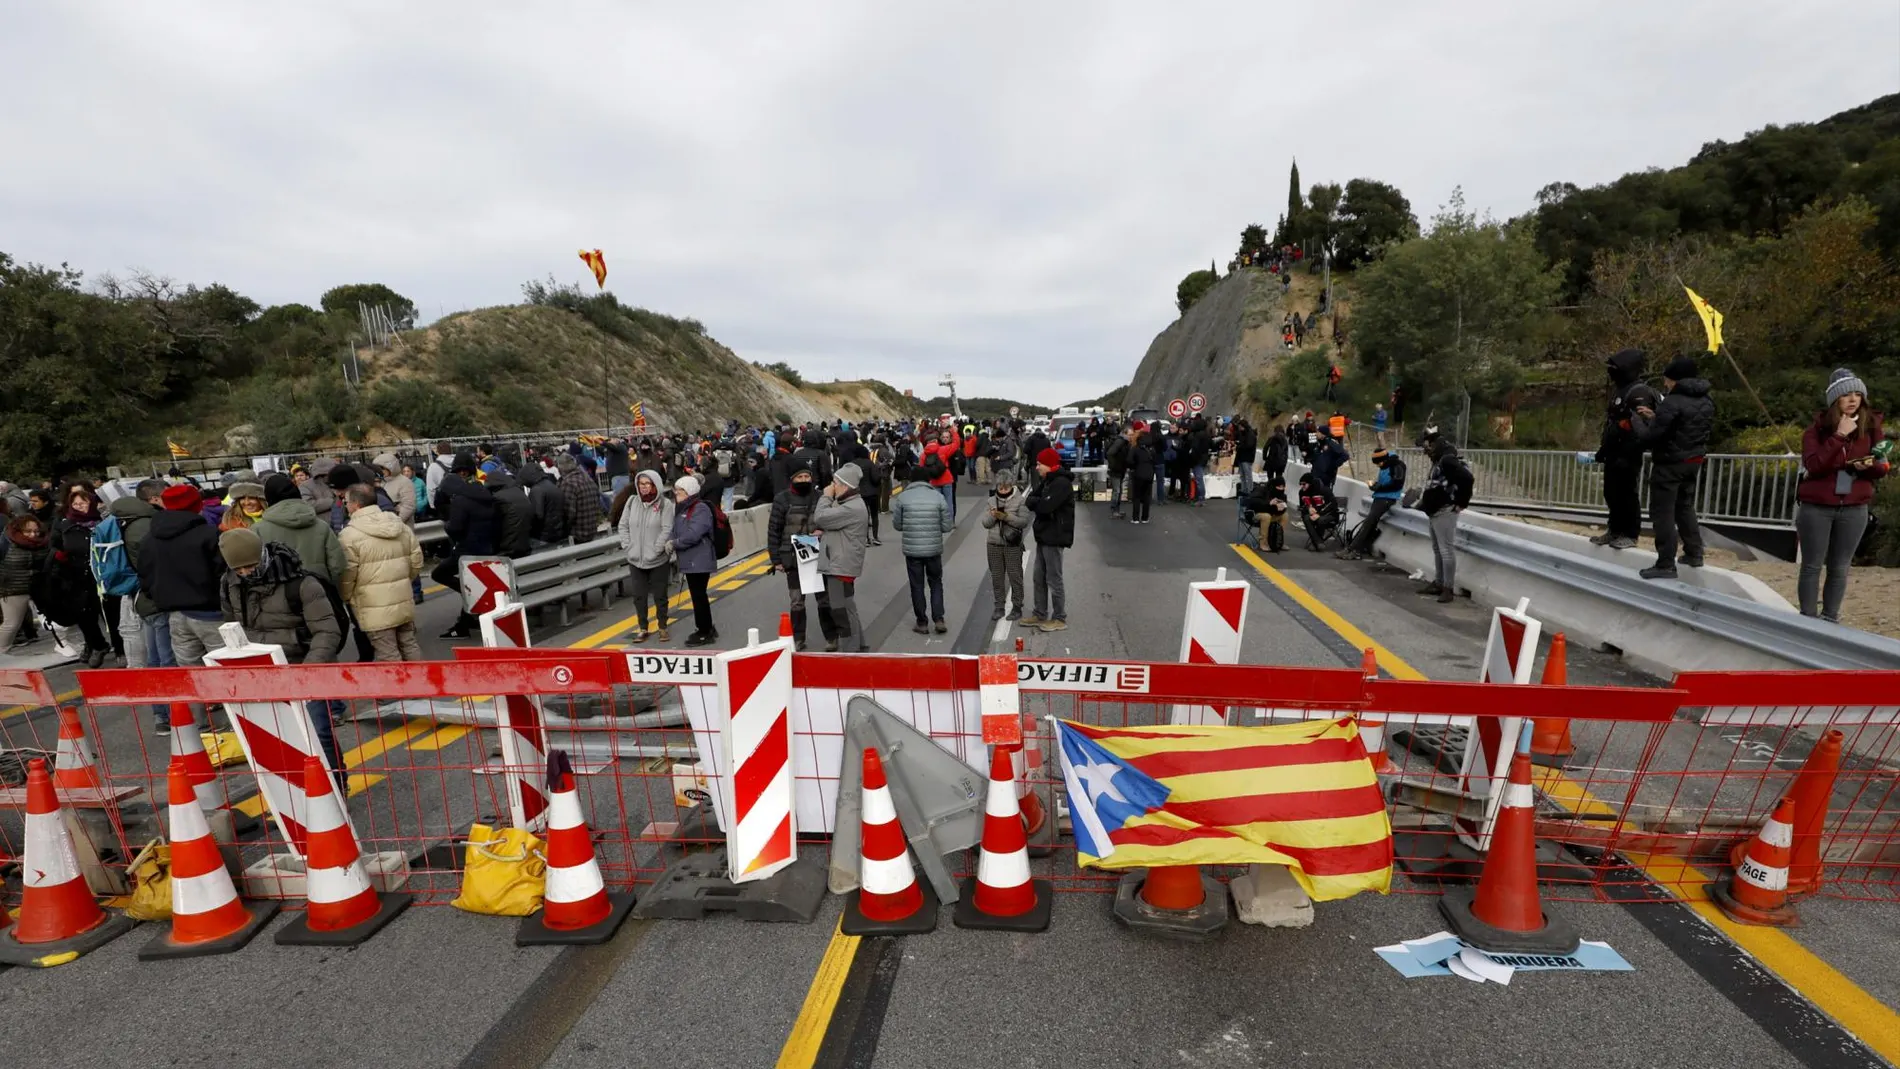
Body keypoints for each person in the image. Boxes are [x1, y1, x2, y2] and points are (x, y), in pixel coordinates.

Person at [218, 528, 345, 772]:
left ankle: (338, 786)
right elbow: (232, 625)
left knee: (318, 733)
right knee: (276, 736)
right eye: (239, 569)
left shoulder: (302, 583)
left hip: (302, 665)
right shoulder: (230, 584)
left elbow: (327, 631)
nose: (246, 573)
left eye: (251, 566)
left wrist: (308, 671)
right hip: (260, 670)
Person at [1796, 370, 1886, 621]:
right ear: (1835, 400)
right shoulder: (1815, 432)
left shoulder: (1873, 429)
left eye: (1858, 394)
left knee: (1840, 567)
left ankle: (1830, 617)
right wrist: (1839, 436)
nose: (1853, 399)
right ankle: (1807, 618)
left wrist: (1868, 466)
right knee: (1812, 565)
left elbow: (1883, 466)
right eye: (1846, 395)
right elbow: (1814, 465)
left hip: (1855, 507)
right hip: (1817, 506)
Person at [138, 483, 227, 722]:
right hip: (211, 613)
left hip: (174, 614)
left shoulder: (150, 539)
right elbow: (223, 573)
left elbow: (144, 576)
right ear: (197, 505)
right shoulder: (208, 534)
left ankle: (202, 727)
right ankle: (243, 725)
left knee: (191, 673)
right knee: (227, 672)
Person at [1632, 354, 1715, 580]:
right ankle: (1694, 552)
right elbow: (1684, 426)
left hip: (1669, 465)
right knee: (1684, 506)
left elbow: (1652, 437)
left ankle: (1665, 563)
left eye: (1667, 380)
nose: (1665, 384)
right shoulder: (1706, 400)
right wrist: (1656, 416)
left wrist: (1638, 423)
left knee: (1663, 512)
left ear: (1676, 379)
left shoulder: (1673, 401)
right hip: (1693, 462)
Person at [338, 484, 423, 662]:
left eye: (346, 502)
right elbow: (416, 560)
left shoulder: (349, 535)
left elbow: (348, 574)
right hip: (402, 598)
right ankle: (422, 685)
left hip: (372, 604)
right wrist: (404, 581)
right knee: (409, 644)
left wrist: (348, 597)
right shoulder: (398, 525)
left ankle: (400, 689)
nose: (345, 505)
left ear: (356, 505)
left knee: (387, 652)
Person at [1592, 348, 1661, 550]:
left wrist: (1629, 450)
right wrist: (1604, 449)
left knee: (1627, 494)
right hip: (1613, 450)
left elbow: (1639, 427)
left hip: (1628, 453)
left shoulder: (1639, 392)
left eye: (1614, 369)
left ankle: (1630, 533)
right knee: (1611, 492)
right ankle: (1614, 529)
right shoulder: (1618, 391)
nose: (1611, 372)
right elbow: (1612, 424)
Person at [767, 462, 839, 651]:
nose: (804, 480)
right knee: (797, 600)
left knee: (824, 599)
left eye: (807, 477)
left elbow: (831, 520)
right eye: (800, 477)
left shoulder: (819, 498)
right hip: (792, 557)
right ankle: (798, 638)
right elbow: (774, 530)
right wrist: (776, 559)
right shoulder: (781, 499)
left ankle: (832, 637)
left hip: (817, 555)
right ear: (792, 479)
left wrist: (821, 529)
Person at [432, 453, 500, 640]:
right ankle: (466, 621)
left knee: (438, 574)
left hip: (466, 550)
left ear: (460, 472)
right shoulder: (485, 493)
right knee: (469, 581)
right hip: (486, 547)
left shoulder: (461, 500)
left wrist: (448, 526)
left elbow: (455, 527)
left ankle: (472, 600)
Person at [42, 486, 111, 666]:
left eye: (84, 502)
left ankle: (119, 648)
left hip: (102, 574)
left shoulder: (103, 520)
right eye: (76, 503)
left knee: (108, 613)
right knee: (84, 614)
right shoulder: (65, 523)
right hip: (76, 575)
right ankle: (96, 644)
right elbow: (55, 545)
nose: (80, 506)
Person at [813, 463, 871, 652]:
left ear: (845, 486)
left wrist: (825, 496)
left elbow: (821, 517)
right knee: (847, 606)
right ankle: (859, 643)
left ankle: (850, 651)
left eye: (835, 483)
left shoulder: (851, 508)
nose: (832, 486)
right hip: (842, 562)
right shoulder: (851, 504)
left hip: (841, 565)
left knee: (841, 609)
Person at [891, 459, 953, 635]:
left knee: (917, 585)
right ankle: (939, 618)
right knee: (936, 582)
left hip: (913, 551)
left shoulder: (903, 497)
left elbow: (897, 525)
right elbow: (947, 526)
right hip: (933, 549)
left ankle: (922, 622)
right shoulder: (938, 497)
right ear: (928, 480)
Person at [617, 469, 675, 643]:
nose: (643, 487)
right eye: (640, 484)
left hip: (657, 560)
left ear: (655, 485)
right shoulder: (632, 501)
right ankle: (643, 628)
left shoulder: (665, 504)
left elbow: (667, 529)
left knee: (660, 595)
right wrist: (628, 545)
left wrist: (657, 549)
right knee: (639, 596)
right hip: (635, 559)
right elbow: (623, 525)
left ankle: (662, 626)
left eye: (647, 484)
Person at [1415, 432, 1473, 603]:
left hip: (1444, 511)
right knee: (1438, 549)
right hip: (1435, 511)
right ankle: (1439, 583)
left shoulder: (1447, 460)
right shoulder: (1439, 461)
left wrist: (1462, 502)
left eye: (1430, 447)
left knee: (1446, 551)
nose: (1428, 451)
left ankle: (1448, 588)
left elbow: (1468, 479)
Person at [1020, 449, 1074, 632]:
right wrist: (1039, 501)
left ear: (1049, 464)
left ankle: (1059, 617)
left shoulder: (1061, 483)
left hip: (1055, 536)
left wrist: (1039, 502)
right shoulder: (1047, 481)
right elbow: (1030, 500)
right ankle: (1040, 613)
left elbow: (1045, 506)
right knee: (1038, 577)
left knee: (1053, 578)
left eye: (1039, 464)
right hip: (1044, 535)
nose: (1036, 467)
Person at [668, 476, 718, 647]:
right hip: (691, 559)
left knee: (699, 596)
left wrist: (675, 543)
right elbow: (677, 530)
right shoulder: (683, 508)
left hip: (699, 559)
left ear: (689, 492)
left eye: (680, 491)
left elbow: (694, 534)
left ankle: (704, 631)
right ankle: (707, 627)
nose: (677, 494)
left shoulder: (700, 508)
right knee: (698, 595)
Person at [1339, 448, 1407, 560]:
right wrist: (1375, 485)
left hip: (1387, 498)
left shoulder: (1398, 465)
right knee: (1371, 524)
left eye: (1379, 463)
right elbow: (1385, 481)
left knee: (1368, 523)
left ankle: (1353, 549)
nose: (1378, 466)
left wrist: (1380, 487)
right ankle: (1361, 548)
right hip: (1379, 496)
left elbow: (1397, 484)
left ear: (1384, 459)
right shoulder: (1385, 465)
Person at [0, 513, 52, 654]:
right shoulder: (6, 542)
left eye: (36, 531)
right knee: (12, 624)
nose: (33, 535)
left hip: (38, 586)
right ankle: (2, 652)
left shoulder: (43, 542)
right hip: (13, 588)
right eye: (28, 531)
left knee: (54, 619)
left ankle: (63, 644)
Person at [980, 471, 1029, 621]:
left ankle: (1017, 606)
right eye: (1000, 488)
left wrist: (1006, 517)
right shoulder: (991, 501)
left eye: (1005, 488)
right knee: (997, 577)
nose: (1002, 491)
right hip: (994, 544)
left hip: (1012, 544)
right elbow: (985, 523)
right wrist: (993, 516)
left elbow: (1023, 522)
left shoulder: (1020, 500)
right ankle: (999, 606)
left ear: (1011, 486)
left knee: (1015, 576)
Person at [521, 461, 567, 551]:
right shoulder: (552, 486)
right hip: (557, 533)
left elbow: (537, 514)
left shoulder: (536, 490)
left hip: (542, 536)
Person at [923, 427, 961, 520]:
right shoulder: (943, 450)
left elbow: (922, 468)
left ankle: (938, 521)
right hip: (946, 479)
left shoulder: (923, 454)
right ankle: (949, 522)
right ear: (936, 440)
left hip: (934, 481)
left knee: (937, 503)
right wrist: (954, 431)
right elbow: (956, 444)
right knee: (949, 502)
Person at [371, 453, 416, 528]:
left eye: (382, 468)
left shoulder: (404, 482)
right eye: (377, 468)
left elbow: (409, 506)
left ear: (391, 467)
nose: (380, 471)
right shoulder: (380, 482)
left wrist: (395, 523)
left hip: (401, 527)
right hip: (384, 526)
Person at [1127, 423, 1158, 524]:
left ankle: (1135, 518)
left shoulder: (1135, 448)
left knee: (1136, 496)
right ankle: (1145, 518)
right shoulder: (1152, 449)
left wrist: (1134, 466)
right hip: (1149, 474)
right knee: (1146, 497)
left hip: (1138, 473)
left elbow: (1129, 461)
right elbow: (1155, 461)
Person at [1105, 424, 1132, 517]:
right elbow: (1110, 453)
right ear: (1124, 434)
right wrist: (1114, 466)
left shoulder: (1124, 442)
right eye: (1130, 435)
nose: (1131, 437)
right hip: (1116, 470)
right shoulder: (1120, 442)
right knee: (1116, 490)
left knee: (1118, 490)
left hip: (1120, 469)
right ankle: (1114, 510)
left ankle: (1116, 510)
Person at [1233, 418, 1257, 494]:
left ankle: (1250, 490)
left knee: (1247, 475)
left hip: (1247, 457)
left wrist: (1239, 446)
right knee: (1242, 475)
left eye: (1240, 427)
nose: (1239, 428)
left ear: (1244, 426)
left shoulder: (1250, 434)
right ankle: (1244, 490)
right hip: (1242, 457)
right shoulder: (1243, 433)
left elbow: (1249, 445)